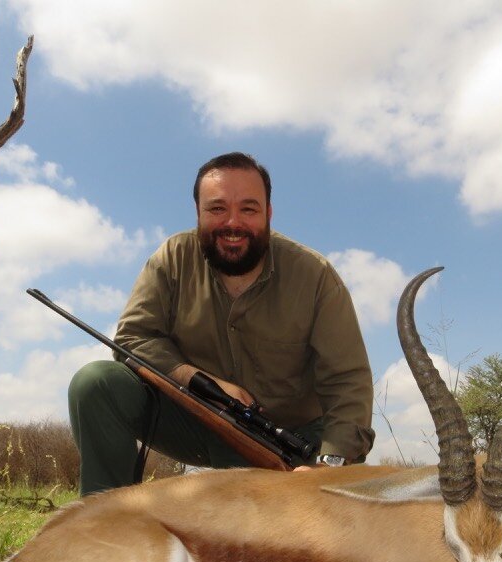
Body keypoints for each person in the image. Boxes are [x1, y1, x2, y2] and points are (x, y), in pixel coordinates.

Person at [68, 152, 375, 496]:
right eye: (217, 209)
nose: (233, 223)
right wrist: (200, 382)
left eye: (248, 208)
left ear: (268, 214)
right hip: (197, 421)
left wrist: (327, 467)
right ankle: (104, 522)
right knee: (95, 383)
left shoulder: (316, 277)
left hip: (293, 443)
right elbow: (133, 339)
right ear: (198, 213)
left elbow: (349, 383)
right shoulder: (172, 258)